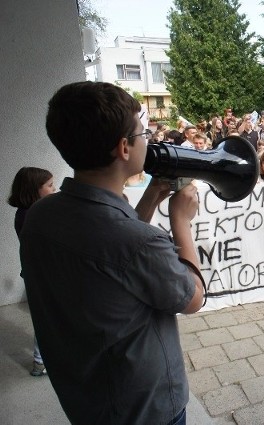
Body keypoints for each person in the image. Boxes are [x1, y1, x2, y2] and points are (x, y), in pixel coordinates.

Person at [19, 81, 205, 425]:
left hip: (85, 395)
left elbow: (112, 258)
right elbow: (192, 298)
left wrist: (149, 199)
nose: (148, 140)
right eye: (143, 133)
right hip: (143, 408)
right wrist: (181, 221)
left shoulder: (40, 215)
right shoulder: (140, 242)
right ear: (123, 147)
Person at [8, 167, 57, 377]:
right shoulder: (33, 216)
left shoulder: (28, 213)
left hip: (37, 273)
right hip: (44, 275)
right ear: (34, 190)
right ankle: (40, 362)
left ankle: (44, 359)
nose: (54, 189)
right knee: (47, 319)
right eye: (50, 186)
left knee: (47, 317)